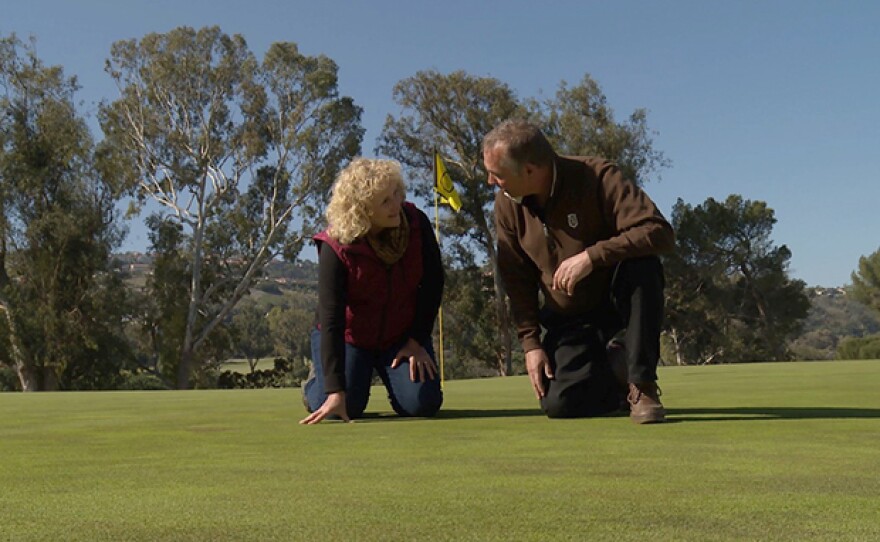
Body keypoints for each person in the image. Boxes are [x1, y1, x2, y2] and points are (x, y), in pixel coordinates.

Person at [483, 120, 675, 424]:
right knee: (560, 405)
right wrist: (531, 344)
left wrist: (592, 256)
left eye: (498, 174)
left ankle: (642, 385)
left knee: (643, 265)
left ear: (530, 170)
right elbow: (516, 278)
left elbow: (659, 232)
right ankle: (616, 369)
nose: (492, 181)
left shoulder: (599, 176)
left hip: (616, 303)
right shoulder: (506, 207)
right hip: (570, 318)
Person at [300, 158, 444, 424]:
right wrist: (334, 390)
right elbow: (331, 317)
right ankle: (316, 385)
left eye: (396, 194)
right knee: (342, 406)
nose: (396, 205)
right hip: (349, 338)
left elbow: (434, 283)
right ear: (362, 210)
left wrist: (416, 340)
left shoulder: (416, 223)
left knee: (423, 403)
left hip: (402, 338)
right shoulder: (336, 244)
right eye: (385, 202)